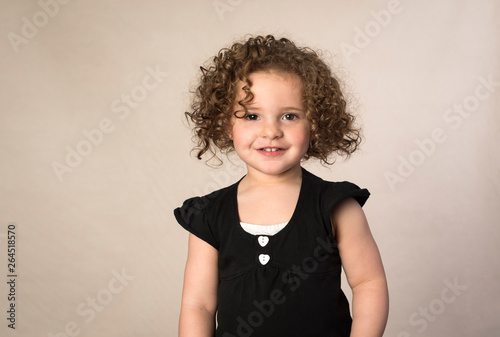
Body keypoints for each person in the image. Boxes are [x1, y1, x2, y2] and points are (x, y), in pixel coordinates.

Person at [174, 34, 388, 337]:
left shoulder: (336, 206)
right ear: (225, 123)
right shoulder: (208, 215)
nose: (271, 131)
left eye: (289, 116)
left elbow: (369, 283)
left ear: (315, 122)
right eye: (251, 116)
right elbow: (198, 305)